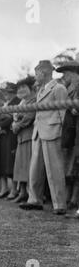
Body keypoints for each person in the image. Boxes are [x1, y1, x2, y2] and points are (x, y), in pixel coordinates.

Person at [20, 60, 68, 215]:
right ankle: (34, 199)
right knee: (35, 168)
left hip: (53, 131)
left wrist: (62, 133)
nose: (35, 76)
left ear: (44, 72)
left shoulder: (59, 88)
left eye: (36, 72)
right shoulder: (40, 90)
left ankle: (59, 204)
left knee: (54, 169)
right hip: (38, 132)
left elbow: (63, 113)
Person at [55, 61, 79, 219]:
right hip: (70, 132)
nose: (64, 76)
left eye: (66, 73)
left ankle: (74, 199)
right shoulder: (67, 89)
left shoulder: (77, 87)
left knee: (76, 165)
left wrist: (73, 108)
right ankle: (70, 199)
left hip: (76, 132)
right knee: (70, 166)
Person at [11, 77, 36, 203]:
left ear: (31, 88)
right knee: (20, 165)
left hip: (29, 135)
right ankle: (22, 192)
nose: (21, 90)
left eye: (23, 87)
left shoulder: (34, 100)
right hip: (20, 137)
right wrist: (14, 125)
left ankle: (31, 194)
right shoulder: (21, 102)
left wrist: (17, 125)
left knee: (29, 166)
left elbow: (29, 116)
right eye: (19, 88)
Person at [0, 82, 21, 199]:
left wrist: (1, 125)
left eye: (9, 91)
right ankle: (4, 188)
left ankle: (14, 189)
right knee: (1, 161)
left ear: (14, 92)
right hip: (2, 135)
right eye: (5, 91)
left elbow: (12, 117)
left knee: (10, 163)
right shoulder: (5, 103)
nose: (6, 94)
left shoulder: (17, 102)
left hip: (11, 134)